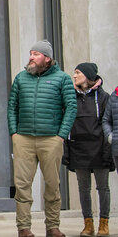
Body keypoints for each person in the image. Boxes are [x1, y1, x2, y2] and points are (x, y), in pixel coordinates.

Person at [7, 40, 77, 237]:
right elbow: (12, 106)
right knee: (22, 186)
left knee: (52, 185)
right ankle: (23, 228)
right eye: (30, 53)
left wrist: (61, 135)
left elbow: (71, 107)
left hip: (51, 139)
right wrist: (14, 133)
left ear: (47, 58)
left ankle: (53, 227)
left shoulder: (62, 79)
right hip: (23, 139)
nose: (31, 57)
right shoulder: (21, 78)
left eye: (36, 54)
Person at [62, 63, 112, 237]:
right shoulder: (71, 97)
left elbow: (108, 123)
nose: (74, 76)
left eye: (78, 73)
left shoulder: (104, 97)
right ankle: (88, 224)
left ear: (88, 75)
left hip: (99, 148)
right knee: (83, 188)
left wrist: (107, 148)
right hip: (79, 147)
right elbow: (67, 123)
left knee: (103, 187)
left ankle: (104, 223)